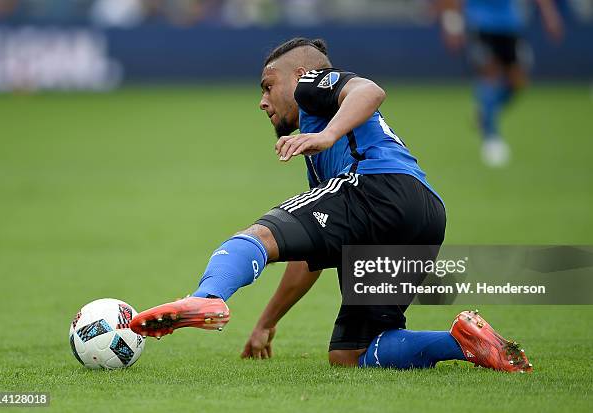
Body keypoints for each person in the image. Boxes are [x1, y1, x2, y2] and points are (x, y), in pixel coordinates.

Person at [130, 37, 532, 372]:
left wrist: (329, 134)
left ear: (300, 77)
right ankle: (464, 342)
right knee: (352, 354)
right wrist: (266, 324)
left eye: (268, 87)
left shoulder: (313, 88)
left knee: (255, 235)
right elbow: (310, 257)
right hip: (424, 214)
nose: (263, 101)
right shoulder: (322, 161)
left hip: (375, 189)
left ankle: (208, 295)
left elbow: (370, 91)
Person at [439, 0, 563, 167]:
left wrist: (550, 15)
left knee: (518, 81)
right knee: (489, 75)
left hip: (510, 24)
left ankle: (485, 111)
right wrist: (452, 23)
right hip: (480, 23)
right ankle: (491, 137)